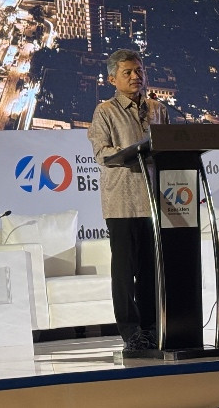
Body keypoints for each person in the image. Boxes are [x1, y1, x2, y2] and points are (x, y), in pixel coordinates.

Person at [87, 49, 168, 352]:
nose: (136, 77)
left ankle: (151, 328)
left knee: (150, 270)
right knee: (124, 272)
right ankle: (131, 332)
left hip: (153, 201)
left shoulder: (158, 109)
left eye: (139, 71)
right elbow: (102, 152)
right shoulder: (105, 111)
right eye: (128, 72)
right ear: (112, 79)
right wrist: (134, 151)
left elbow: (169, 148)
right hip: (121, 202)